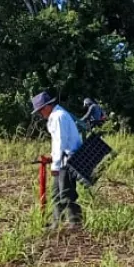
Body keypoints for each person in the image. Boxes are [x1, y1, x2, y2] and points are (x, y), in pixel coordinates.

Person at [32, 91, 83, 228]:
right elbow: (59, 142)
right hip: (62, 159)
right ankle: (56, 223)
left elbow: (61, 141)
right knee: (56, 193)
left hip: (67, 161)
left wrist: (55, 165)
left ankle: (75, 223)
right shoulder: (58, 114)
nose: (40, 114)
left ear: (47, 106)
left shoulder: (58, 116)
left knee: (66, 193)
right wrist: (53, 158)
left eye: (40, 110)